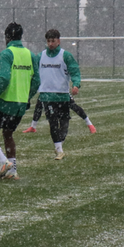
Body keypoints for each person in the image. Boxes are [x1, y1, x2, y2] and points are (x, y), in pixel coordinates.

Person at [0, 22, 40, 181]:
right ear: (21, 36)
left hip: (5, 101)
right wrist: (27, 96)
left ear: (7, 37)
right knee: (8, 134)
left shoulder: (6, 54)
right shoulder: (31, 54)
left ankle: (4, 162)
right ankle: (13, 171)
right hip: (20, 104)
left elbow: (5, 79)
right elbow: (37, 81)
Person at [33, 29, 81, 160]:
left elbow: (75, 71)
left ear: (58, 41)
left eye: (53, 41)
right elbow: (33, 71)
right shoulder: (40, 56)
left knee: (64, 124)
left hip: (63, 95)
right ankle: (59, 150)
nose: (50, 44)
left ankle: (59, 145)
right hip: (47, 96)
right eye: (48, 41)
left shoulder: (66, 55)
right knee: (53, 122)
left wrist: (76, 84)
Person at [22, 97, 96, 134]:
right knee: (39, 105)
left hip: (61, 90)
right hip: (48, 89)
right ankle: (33, 127)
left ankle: (89, 124)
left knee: (72, 105)